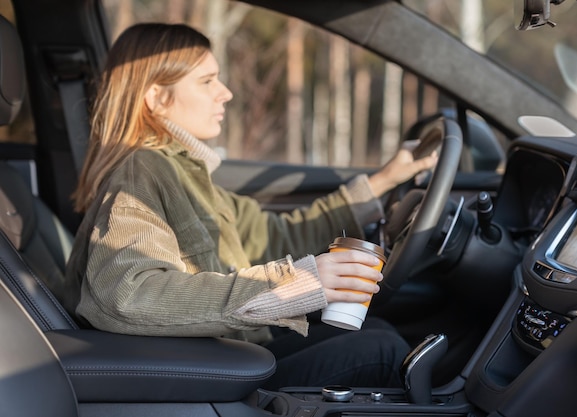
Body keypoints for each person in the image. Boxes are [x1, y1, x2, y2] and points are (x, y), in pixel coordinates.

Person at [65, 22, 437, 390]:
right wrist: (298, 283)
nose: (225, 93)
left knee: (379, 331)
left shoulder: (186, 172)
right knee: (383, 350)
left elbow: (275, 235)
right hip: (211, 373)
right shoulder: (142, 171)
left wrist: (386, 179)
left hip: (237, 351)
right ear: (156, 97)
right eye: (207, 81)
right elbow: (128, 295)